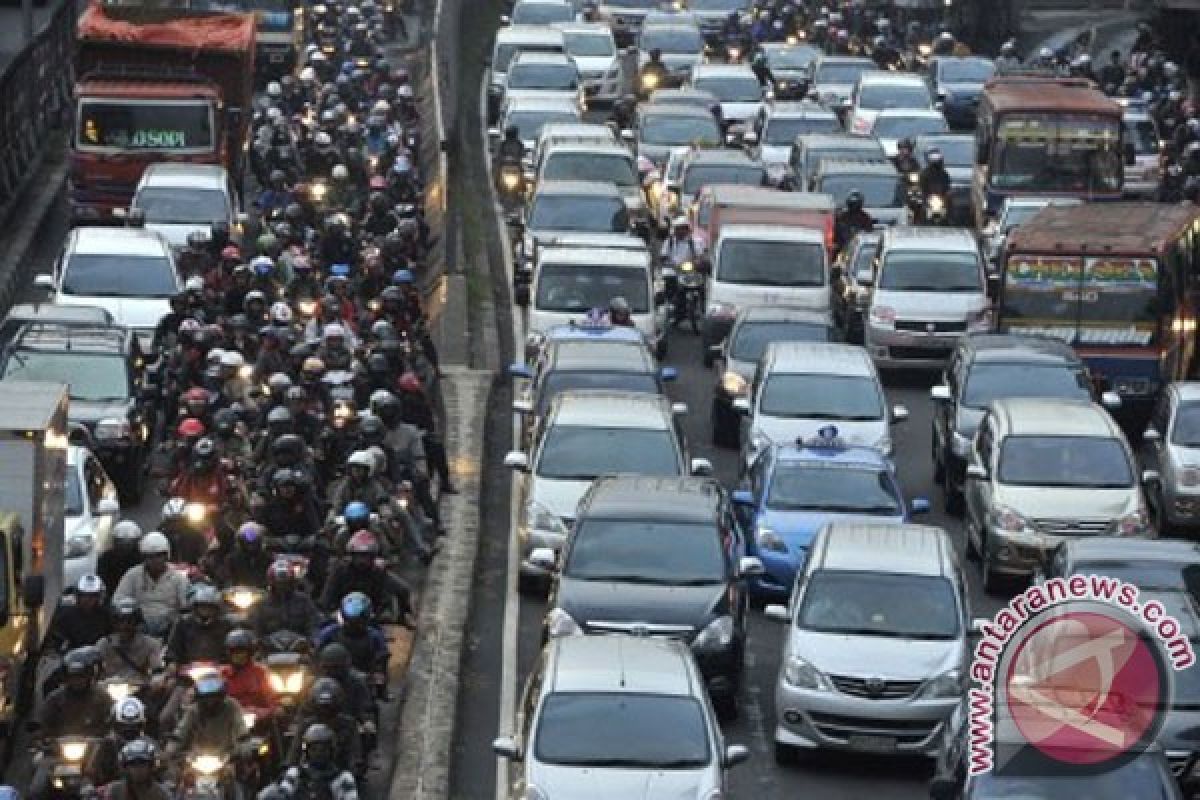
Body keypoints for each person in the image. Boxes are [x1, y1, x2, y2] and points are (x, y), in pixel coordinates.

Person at [31, 648, 113, 800]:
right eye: (73, 677)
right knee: (37, 789)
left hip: (94, 752)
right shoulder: (54, 698)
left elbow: (112, 723)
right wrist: (43, 739)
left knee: (109, 779)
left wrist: (105, 739)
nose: (77, 681)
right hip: (57, 754)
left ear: (89, 676)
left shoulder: (102, 698)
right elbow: (41, 725)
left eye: (81, 677)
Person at [112, 532, 189, 638]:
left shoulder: (178, 577)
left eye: (159, 556)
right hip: (138, 628)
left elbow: (186, 606)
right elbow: (117, 601)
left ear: (167, 556)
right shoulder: (133, 574)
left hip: (170, 628)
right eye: (150, 557)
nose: (154, 560)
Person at [285, 678, 363, 773]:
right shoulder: (306, 725)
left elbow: (354, 753)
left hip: (340, 773)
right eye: (322, 707)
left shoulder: (349, 724)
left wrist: (355, 767)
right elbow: (295, 751)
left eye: (328, 707)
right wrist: (289, 768)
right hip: (308, 774)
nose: (325, 710)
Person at [167, 670, 247, 758]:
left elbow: (240, 726)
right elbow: (181, 730)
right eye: (206, 699)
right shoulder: (193, 710)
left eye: (214, 698)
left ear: (221, 696)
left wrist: (245, 745)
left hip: (227, 754)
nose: (210, 702)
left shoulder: (232, 706)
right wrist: (170, 749)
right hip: (198, 755)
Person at [274, 724, 359, 800]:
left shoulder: (343, 777)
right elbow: (282, 793)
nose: (319, 753)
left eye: (323, 750)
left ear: (331, 751)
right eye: (314, 749)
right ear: (307, 751)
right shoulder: (295, 773)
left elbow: (351, 797)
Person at [251, 560, 325, 640]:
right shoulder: (261, 605)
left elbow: (313, 623)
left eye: (286, 583)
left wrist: (313, 640)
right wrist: (259, 642)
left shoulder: (304, 601)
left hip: (300, 647)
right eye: (278, 583)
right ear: (272, 584)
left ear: (292, 582)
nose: (282, 586)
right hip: (270, 649)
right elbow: (256, 629)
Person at [85, 697, 151, 788]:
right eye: (124, 726)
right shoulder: (107, 744)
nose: (129, 731)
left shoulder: (150, 744)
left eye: (134, 727)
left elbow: (164, 773)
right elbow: (91, 773)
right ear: (115, 724)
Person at [94, 599, 165, 682]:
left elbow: (157, 669)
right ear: (114, 622)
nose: (124, 626)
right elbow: (95, 669)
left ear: (137, 622)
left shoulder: (151, 644)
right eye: (120, 621)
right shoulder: (104, 644)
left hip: (140, 688)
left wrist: (156, 680)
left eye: (130, 621)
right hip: (108, 687)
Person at [47, 574, 111, 654]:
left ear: (98, 597)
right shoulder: (65, 615)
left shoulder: (105, 614)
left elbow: (111, 637)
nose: (87, 600)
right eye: (84, 595)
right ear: (78, 595)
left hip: (99, 657)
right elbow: (56, 643)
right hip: (72, 659)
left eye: (92, 596)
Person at [95, 739, 172, 800]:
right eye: (133, 764)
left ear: (150, 766)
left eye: (143, 764)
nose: (138, 769)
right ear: (126, 767)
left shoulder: (162, 794)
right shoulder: (114, 790)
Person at [98, 521, 145, 594]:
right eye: (121, 542)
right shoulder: (105, 559)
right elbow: (102, 582)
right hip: (113, 597)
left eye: (129, 543)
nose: (124, 546)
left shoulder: (143, 559)